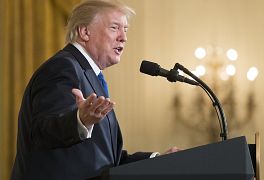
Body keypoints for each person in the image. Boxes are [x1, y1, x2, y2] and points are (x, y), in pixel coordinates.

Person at [11, 0, 179, 179]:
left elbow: (108, 162)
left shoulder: (89, 75)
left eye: (125, 29)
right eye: (114, 28)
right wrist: (79, 121)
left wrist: (159, 160)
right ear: (84, 32)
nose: (124, 37)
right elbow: (42, 131)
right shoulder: (63, 67)